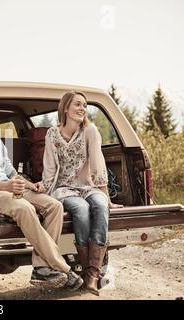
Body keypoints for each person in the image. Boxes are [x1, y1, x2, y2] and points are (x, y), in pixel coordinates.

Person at [0, 97, 83, 290]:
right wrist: (6, 186)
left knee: (54, 206)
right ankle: (61, 266)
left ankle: (41, 268)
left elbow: (11, 172)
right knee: (24, 208)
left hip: (9, 190)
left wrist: (32, 186)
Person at [40, 91, 123, 295]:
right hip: (64, 189)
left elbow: (97, 163)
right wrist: (44, 189)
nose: (82, 108)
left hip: (88, 186)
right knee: (81, 209)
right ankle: (89, 273)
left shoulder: (90, 131)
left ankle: (92, 274)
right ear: (65, 108)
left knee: (101, 206)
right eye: (77, 104)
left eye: (85, 105)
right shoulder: (52, 133)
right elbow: (49, 168)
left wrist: (107, 197)